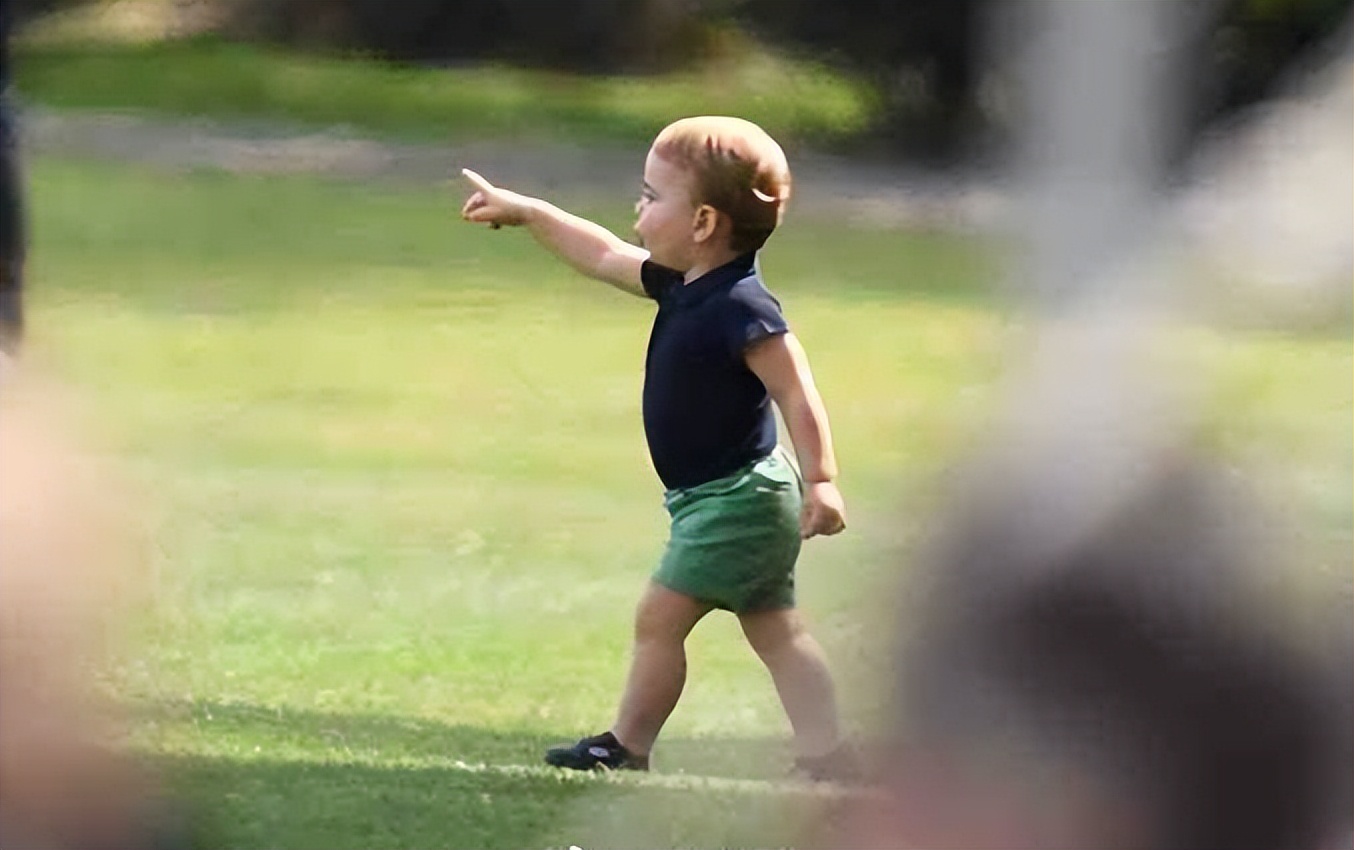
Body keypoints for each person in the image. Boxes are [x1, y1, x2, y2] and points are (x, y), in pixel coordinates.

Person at [459, 115, 856, 780]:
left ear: (703, 222)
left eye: (649, 197)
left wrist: (823, 479)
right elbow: (602, 253)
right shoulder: (683, 287)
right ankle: (830, 753)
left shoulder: (743, 308)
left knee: (660, 619)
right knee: (776, 632)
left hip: (739, 499)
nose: (636, 211)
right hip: (723, 498)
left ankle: (627, 745)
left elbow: (796, 392)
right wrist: (530, 213)